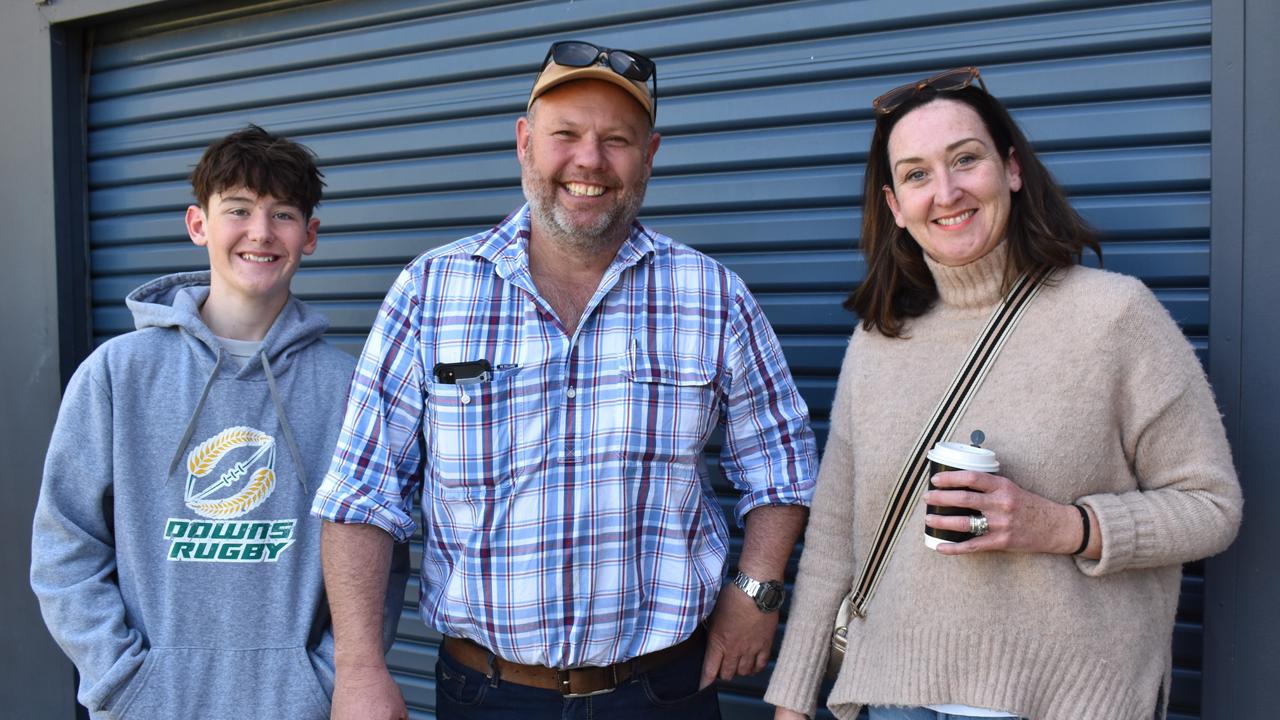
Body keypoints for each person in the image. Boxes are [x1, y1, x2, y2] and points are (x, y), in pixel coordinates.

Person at [312, 40, 818, 720]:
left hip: (664, 691)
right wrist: (359, 669)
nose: (589, 161)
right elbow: (361, 497)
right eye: (566, 135)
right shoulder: (432, 291)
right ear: (524, 143)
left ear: (651, 155)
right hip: (488, 693)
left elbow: (781, 463)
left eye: (617, 140)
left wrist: (756, 592)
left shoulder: (711, 296)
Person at [764, 67, 1243, 720]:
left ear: (1011, 169)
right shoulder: (879, 341)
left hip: (1064, 703)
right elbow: (833, 545)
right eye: (917, 174)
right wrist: (792, 702)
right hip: (897, 699)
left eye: (966, 159)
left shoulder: (1114, 316)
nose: (947, 190)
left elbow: (1212, 505)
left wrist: (1064, 527)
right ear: (895, 206)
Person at [30, 125, 406, 719]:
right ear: (198, 224)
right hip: (152, 705)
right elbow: (65, 545)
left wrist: (322, 683)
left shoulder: (348, 388)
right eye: (238, 210)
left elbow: (377, 558)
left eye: (282, 214)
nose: (260, 232)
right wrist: (123, 682)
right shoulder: (117, 374)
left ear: (309, 236)